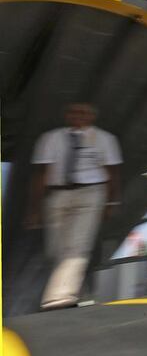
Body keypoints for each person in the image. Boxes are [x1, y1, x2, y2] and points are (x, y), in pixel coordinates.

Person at [27, 102, 123, 310]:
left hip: (91, 193)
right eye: (73, 112)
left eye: (84, 112)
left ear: (92, 117)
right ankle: (82, 293)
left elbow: (112, 173)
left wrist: (112, 200)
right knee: (55, 250)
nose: (78, 115)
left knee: (77, 246)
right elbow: (42, 173)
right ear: (66, 116)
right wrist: (34, 209)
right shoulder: (50, 138)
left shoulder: (105, 139)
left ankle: (58, 298)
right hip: (57, 195)